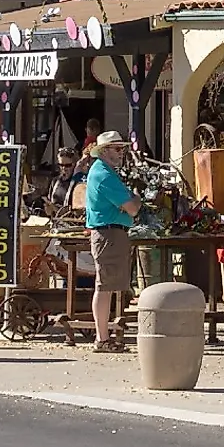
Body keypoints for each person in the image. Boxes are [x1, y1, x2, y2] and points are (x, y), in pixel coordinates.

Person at [83, 130, 141, 353]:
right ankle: (102, 338)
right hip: (108, 234)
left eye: (122, 148)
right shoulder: (104, 174)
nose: (121, 153)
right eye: (117, 149)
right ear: (105, 151)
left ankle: (104, 336)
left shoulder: (104, 171)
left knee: (107, 285)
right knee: (105, 286)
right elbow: (133, 208)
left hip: (110, 232)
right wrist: (136, 196)